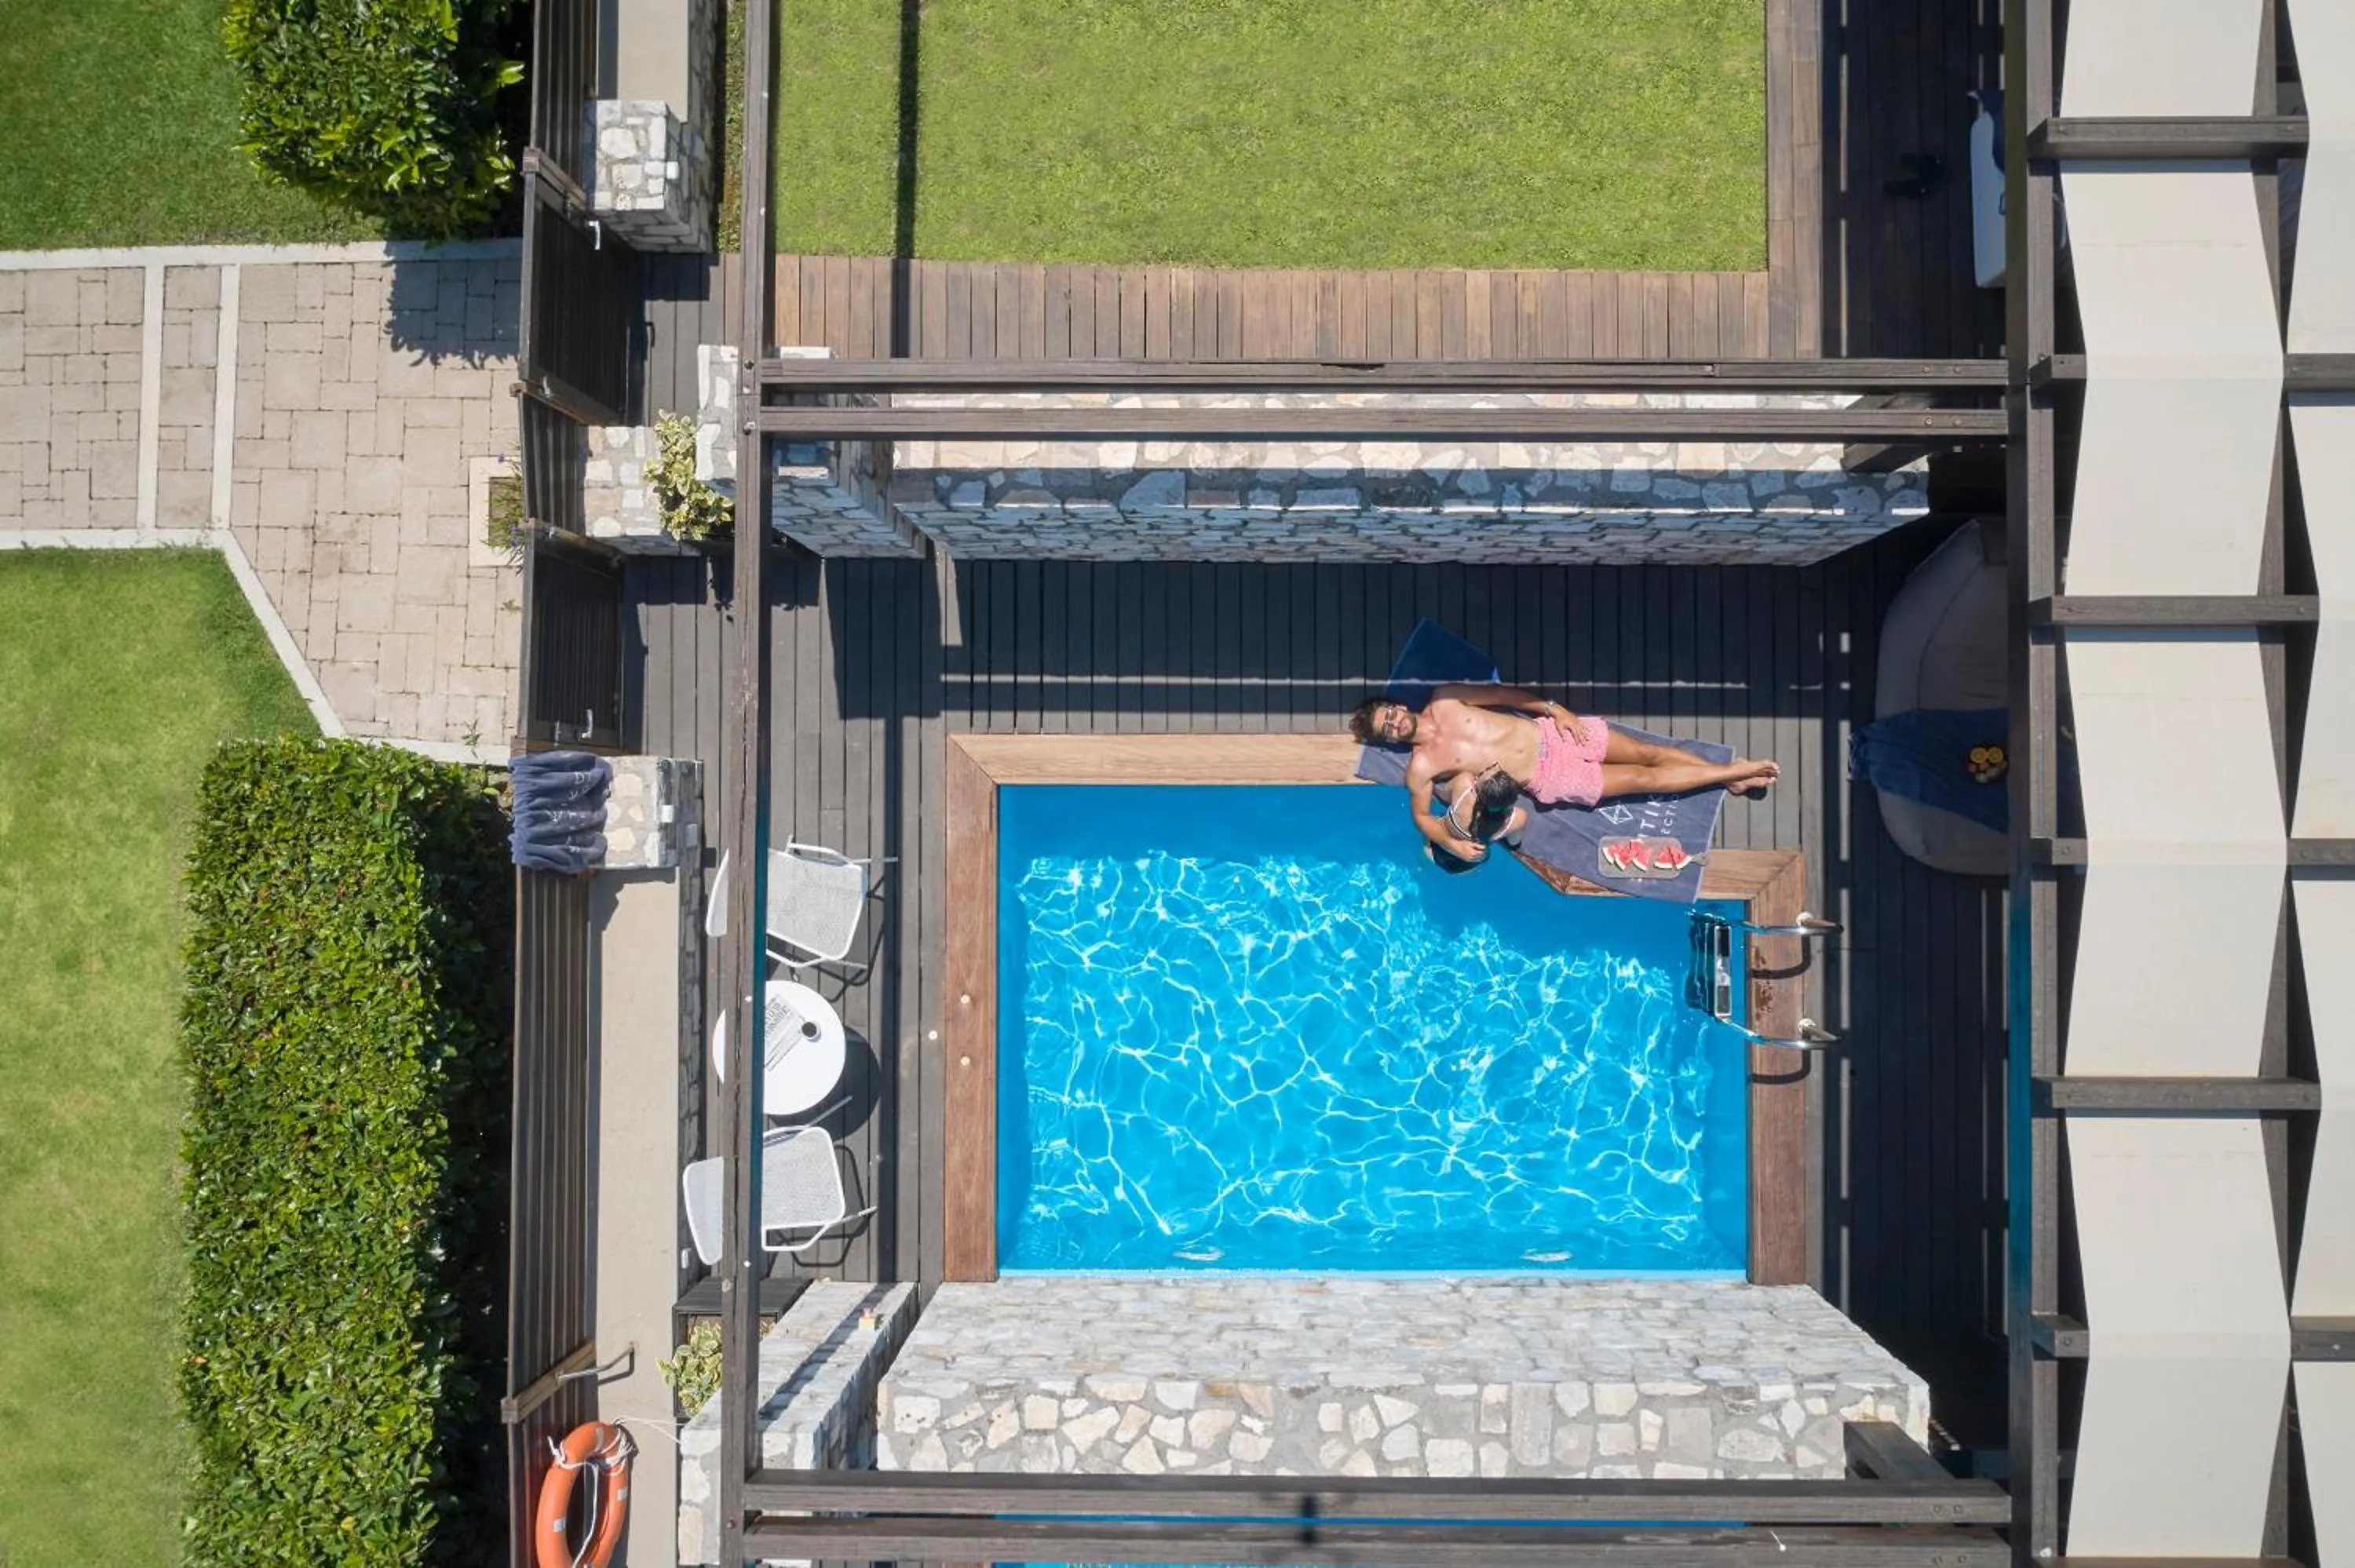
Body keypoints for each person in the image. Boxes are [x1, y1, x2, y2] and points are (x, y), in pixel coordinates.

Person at [1347, 685, 1779, 866]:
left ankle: (1729, 777)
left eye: (1390, 715)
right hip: (1547, 776)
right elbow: (1421, 816)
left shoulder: (1446, 699)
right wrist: (1447, 841)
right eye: (1387, 729)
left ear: (1398, 706)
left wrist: (1555, 709)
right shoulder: (1421, 766)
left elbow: (1502, 695)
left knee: (1649, 753)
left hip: (1554, 733)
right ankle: (1732, 773)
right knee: (1643, 781)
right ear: (1390, 739)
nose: (1394, 724)